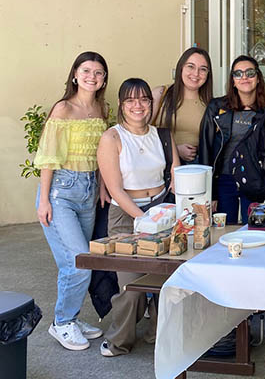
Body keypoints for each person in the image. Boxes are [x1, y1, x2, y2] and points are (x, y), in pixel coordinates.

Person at [97, 78, 180, 357]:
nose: (138, 106)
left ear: (151, 103)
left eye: (144, 99)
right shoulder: (112, 137)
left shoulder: (163, 135)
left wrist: (167, 211)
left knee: (165, 280)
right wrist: (145, 219)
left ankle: (158, 334)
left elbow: (175, 177)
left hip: (161, 210)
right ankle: (119, 339)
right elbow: (115, 189)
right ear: (121, 104)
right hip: (126, 216)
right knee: (132, 286)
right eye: (130, 100)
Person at [34, 51, 110, 351]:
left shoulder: (101, 108)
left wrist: (102, 186)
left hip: (89, 190)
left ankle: (72, 318)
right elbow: (48, 156)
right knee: (77, 263)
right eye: (87, 70)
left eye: (99, 72)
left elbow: (102, 154)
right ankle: (62, 323)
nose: (93, 76)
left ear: (104, 78)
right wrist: (45, 200)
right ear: (75, 74)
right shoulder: (63, 109)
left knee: (83, 260)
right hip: (60, 192)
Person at [198, 56, 265, 224]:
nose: (244, 77)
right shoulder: (216, 108)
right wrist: (210, 193)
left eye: (250, 73)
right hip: (224, 180)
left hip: (253, 180)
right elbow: (206, 149)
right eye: (238, 73)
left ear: (258, 78)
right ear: (233, 81)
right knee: (223, 231)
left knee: (253, 229)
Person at [151, 47, 213, 164]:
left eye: (203, 69)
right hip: (161, 166)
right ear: (181, 67)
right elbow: (140, 133)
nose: (196, 73)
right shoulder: (161, 93)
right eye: (190, 66)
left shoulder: (211, 104)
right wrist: (174, 150)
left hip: (195, 169)